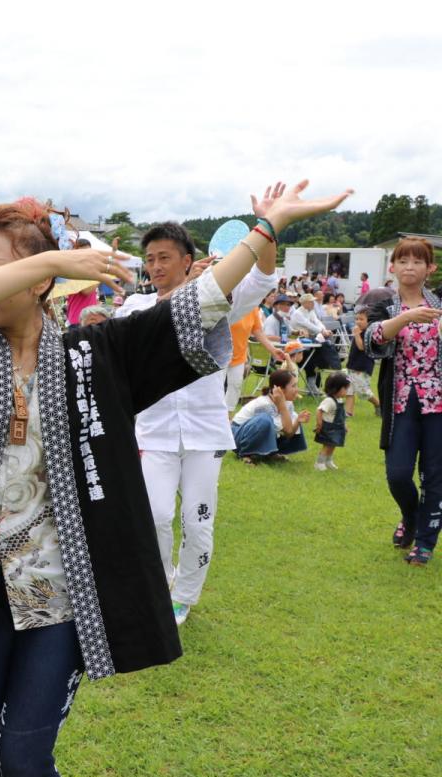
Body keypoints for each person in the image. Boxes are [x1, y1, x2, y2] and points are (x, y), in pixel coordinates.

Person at [0, 181, 350, 777]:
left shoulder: (98, 354)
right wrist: (51, 261)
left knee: (26, 760)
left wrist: (267, 226)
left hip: (63, 591)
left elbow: (199, 301)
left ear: (37, 286)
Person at [116, 205, 280, 628]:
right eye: (150, 259)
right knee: (153, 516)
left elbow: (262, 278)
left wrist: (269, 226)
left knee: (197, 521)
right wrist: (185, 291)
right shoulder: (135, 305)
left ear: (188, 260)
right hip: (154, 431)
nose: (155, 266)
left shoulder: (219, 302)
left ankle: (184, 595)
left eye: (164, 257)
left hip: (206, 433)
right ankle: (160, 582)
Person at [363, 237, 442, 566]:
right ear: (392, 267)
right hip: (400, 403)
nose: (409, 267)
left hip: (437, 403)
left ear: (430, 268)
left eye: (417, 261)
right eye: (403, 261)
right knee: (397, 474)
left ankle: (424, 541)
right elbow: (372, 341)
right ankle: (411, 518)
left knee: (434, 476)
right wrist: (407, 318)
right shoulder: (385, 304)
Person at [232, 370, 311, 464]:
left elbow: (288, 432)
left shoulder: (288, 403)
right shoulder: (264, 404)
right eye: (293, 386)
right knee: (265, 420)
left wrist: (298, 421)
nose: (297, 389)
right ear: (280, 389)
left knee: (291, 420)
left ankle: (271, 453)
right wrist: (282, 408)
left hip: (255, 432)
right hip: (238, 436)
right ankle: (245, 454)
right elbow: (282, 428)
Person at [226, 301, 286, 412]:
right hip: (218, 355)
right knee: (214, 388)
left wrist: (272, 350)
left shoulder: (253, 308)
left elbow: (257, 330)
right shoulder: (227, 304)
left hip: (238, 355)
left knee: (235, 385)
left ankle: (227, 414)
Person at [290, 292, 340, 395]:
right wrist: (322, 332)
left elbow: (317, 322)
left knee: (319, 352)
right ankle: (333, 366)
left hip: (308, 342)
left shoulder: (310, 311)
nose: (314, 303)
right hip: (298, 345)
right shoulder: (298, 313)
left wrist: (324, 330)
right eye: (311, 301)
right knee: (320, 351)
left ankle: (329, 367)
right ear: (304, 303)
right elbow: (309, 325)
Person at [344, 309, 380, 416]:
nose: (358, 321)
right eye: (356, 319)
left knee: (363, 391)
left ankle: (379, 404)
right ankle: (348, 412)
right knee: (349, 390)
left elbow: (361, 347)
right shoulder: (360, 331)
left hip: (363, 366)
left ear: (369, 321)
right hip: (352, 365)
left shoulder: (369, 333)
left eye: (361, 319)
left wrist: (356, 334)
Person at [314, 372, 351, 471]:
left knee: (333, 445)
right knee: (327, 446)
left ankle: (328, 461)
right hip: (329, 428)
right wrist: (319, 423)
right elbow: (319, 410)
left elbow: (342, 415)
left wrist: (344, 425)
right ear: (336, 388)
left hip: (338, 427)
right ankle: (319, 463)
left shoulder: (340, 400)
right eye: (345, 388)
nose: (346, 391)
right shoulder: (329, 401)